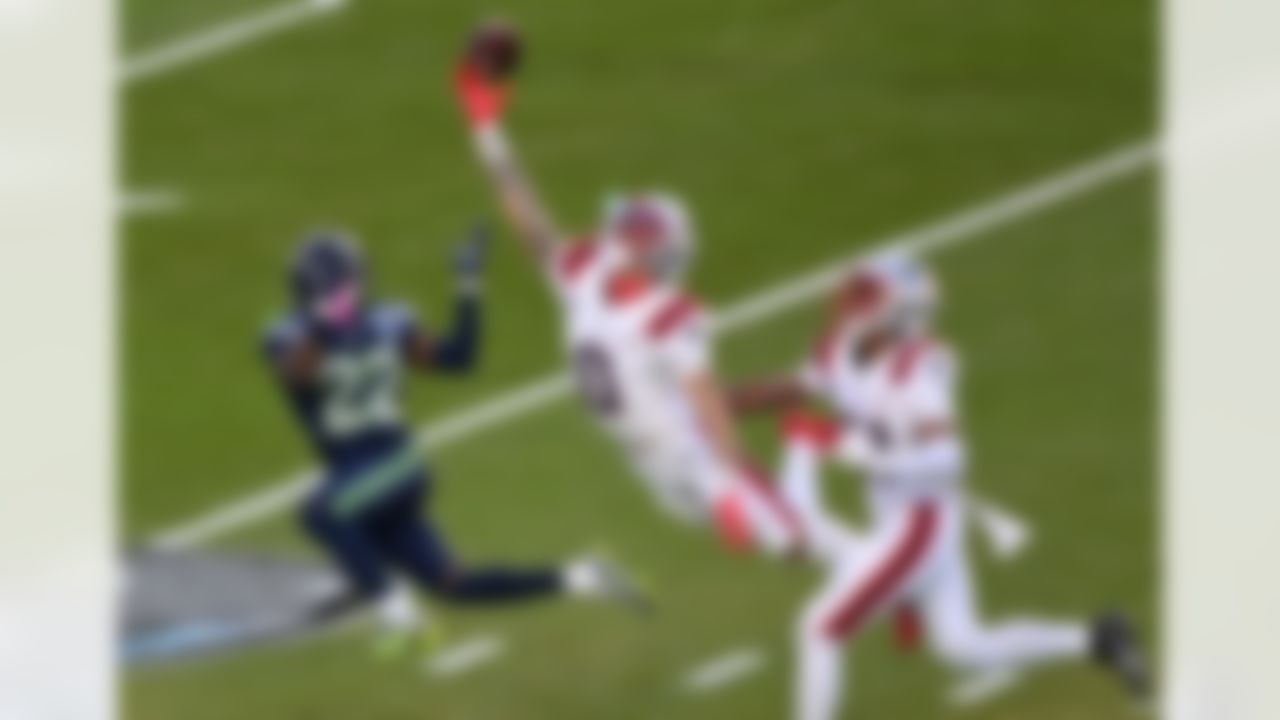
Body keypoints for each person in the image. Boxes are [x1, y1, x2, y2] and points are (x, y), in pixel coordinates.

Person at [734, 252, 1151, 719]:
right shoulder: (841, 347)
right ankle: (1100, 639)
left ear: (897, 311)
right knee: (963, 646)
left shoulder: (917, 370)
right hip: (909, 518)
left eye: (866, 294)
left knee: (819, 628)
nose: (850, 301)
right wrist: (719, 401)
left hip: (921, 520)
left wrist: (878, 455)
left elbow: (951, 457)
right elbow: (794, 389)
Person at [453, 24, 802, 557]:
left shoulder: (643, 299)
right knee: (791, 540)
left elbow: (707, 404)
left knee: (796, 542)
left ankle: (762, 487)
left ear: (655, 252)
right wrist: (487, 130)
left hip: (675, 462)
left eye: (640, 228)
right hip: (665, 458)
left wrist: (731, 472)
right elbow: (529, 220)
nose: (626, 229)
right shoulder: (597, 275)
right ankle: (763, 482)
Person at [261, 226, 646, 655]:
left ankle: (398, 616)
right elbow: (297, 373)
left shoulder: (385, 324)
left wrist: (467, 287)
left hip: (392, 464)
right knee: (452, 584)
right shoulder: (298, 335)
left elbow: (459, 357)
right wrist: (326, 325)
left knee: (321, 511)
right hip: (369, 480)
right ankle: (583, 576)